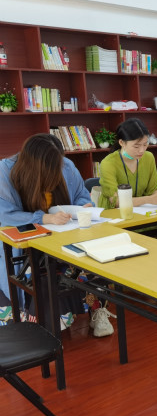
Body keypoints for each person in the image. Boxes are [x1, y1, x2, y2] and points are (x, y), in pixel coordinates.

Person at [0, 133, 92, 326]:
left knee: (92, 258)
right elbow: (6, 215)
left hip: (63, 236)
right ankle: (39, 319)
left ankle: (91, 310)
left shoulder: (66, 165)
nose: (57, 170)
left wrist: (83, 207)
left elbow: (82, 195)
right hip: (26, 244)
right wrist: (43, 218)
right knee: (37, 271)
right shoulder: (5, 172)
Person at [98, 117, 157, 209]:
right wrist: (148, 200)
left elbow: (152, 190)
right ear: (122, 142)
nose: (142, 150)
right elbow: (116, 201)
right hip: (112, 213)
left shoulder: (149, 157)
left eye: (145, 144)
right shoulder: (108, 163)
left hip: (140, 211)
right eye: (136, 146)